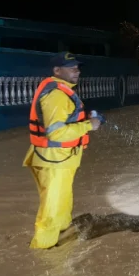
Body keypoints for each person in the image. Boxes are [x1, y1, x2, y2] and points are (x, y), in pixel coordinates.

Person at [23, 51, 104, 249]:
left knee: (61, 203)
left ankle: (63, 237)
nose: (76, 71)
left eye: (77, 67)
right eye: (71, 68)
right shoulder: (57, 95)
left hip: (59, 159)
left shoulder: (61, 89)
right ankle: (43, 252)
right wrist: (89, 125)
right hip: (54, 160)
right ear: (57, 70)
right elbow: (56, 133)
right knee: (51, 210)